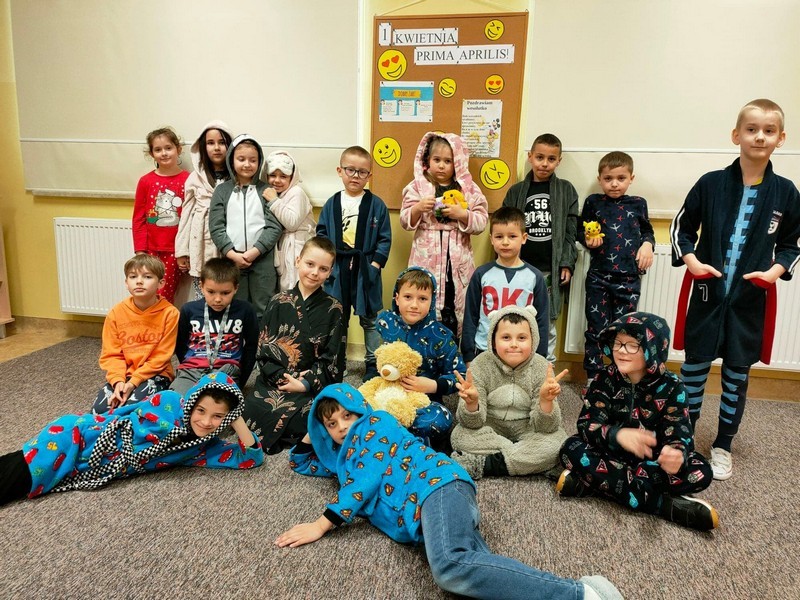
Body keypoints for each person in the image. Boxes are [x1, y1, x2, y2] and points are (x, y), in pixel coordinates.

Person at [274, 383, 622, 600]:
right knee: (479, 582)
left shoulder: (375, 425)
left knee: (449, 566)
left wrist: (321, 524)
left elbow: (363, 482)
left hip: (436, 486)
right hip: (427, 510)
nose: (342, 427)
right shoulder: (344, 461)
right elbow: (300, 462)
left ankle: (582, 594)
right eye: (332, 424)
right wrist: (315, 428)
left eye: (347, 415)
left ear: (360, 411)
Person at [670, 98, 800, 481]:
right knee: (693, 371)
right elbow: (681, 228)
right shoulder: (710, 183)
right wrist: (692, 261)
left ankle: (723, 444)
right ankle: (683, 438)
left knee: (736, 377)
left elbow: (793, 242)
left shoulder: (786, 192)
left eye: (769, 131)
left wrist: (775, 271)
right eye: (751, 129)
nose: (759, 137)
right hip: (707, 297)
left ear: (780, 138)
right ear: (736, 135)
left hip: (748, 303)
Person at [1, 372, 263, 507]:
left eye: (218, 417)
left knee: (21, 476)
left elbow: (251, 458)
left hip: (90, 465)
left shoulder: (200, 447)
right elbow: (126, 420)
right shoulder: (170, 401)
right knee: (23, 474)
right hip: (79, 437)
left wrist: (236, 416)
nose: (206, 422)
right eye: (201, 411)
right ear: (191, 403)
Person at [557, 313, 718, 532]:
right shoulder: (604, 378)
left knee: (702, 470)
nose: (622, 350)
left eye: (633, 345)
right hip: (610, 453)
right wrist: (617, 435)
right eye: (618, 343)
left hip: (650, 462)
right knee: (571, 448)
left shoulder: (673, 387)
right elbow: (587, 425)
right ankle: (661, 504)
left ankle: (595, 484)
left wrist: (676, 454)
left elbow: (681, 434)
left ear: (653, 349)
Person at [242, 237, 345, 454]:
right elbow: (264, 352)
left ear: (330, 272)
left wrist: (305, 384)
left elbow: (333, 359)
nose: (315, 273)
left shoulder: (335, 308)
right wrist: (283, 378)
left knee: (319, 413)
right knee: (251, 407)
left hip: (311, 386)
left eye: (323, 269)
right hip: (276, 383)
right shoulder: (277, 301)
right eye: (310, 264)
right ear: (298, 261)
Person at [451, 305, 568, 480]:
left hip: (528, 430)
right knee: (459, 436)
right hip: (490, 429)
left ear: (533, 340)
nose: (514, 344)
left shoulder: (542, 367)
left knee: (558, 442)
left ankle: (486, 464)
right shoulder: (479, 365)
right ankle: (529, 463)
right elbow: (471, 424)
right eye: (506, 337)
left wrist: (546, 401)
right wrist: (472, 404)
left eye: (522, 338)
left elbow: (547, 427)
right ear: (493, 341)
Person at [400, 132, 489, 340]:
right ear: (427, 160)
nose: (441, 166)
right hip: (426, 261)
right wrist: (418, 208)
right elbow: (404, 221)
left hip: (456, 265)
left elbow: (482, 222)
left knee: (455, 309)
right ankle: (421, 350)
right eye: (436, 160)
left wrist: (462, 214)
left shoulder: (469, 189)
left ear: (457, 162)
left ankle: (452, 351)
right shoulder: (416, 187)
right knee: (422, 302)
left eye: (448, 161)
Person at [316, 146, 391, 381]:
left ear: (369, 175)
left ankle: (372, 363)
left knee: (370, 319)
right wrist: (327, 265)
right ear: (340, 171)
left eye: (362, 172)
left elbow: (384, 238)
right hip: (337, 270)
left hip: (365, 269)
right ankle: (337, 362)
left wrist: (375, 265)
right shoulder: (331, 203)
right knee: (337, 317)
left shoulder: (376, 205)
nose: (355, 176)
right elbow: (322, 234)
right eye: (350, 170)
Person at [502, 133, 579, 362]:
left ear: (559, 161)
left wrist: (567, 263)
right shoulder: (516, 191)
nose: (545, 163)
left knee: (547, 322)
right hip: (519, 268)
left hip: (549, 270)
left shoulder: (566, 190)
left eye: (551, 159)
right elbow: (503, 227)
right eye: (539, 157)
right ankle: (514, 365)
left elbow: (571, 231)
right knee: (515, 320)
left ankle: (546, 369)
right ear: (530, 157)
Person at [579, 151, 654, 382]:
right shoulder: (593, 202)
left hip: (629, 280)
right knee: (596, 330)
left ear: (631, 178)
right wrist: (586, 239)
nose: (614, 184)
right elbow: (580, 229)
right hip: (599, 278)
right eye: (608, 178)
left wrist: (647, 245)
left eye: (621, 178)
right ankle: (594, 378)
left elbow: (647, 231)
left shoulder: (638, 203)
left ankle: (619, 378)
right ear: (600, 179)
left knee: (624, 332)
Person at [375, 267, 465, 445]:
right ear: (397, 298)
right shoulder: (387, 323)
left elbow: (459, 376)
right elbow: (376, 360)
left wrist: (433, 385)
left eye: (422, 298)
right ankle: (397, 433)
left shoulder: (441, 336)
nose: (414, 305)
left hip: (423, 402)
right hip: (386, 393)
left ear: (432, 301)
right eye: (408, 297)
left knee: (441, 419)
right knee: (351, 403)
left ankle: (393, 434)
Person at [91, 255, 179, 414]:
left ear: (161, 283)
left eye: (147, 277)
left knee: (131, 409)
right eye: (133, 277)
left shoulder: (170, 314)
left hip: (156, 374)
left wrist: (133, 382)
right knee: (100, 411)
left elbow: (161, 357)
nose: (139, 281)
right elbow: (111, 354)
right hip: (123, 375)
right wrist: (118, 382)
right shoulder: (116, 313)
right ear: (126, 283)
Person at [209, 134, 283, 321]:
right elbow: (216, 227)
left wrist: (254, 252)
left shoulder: (267, 190)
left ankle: (262, 340)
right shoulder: (222, 191)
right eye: (241, 159)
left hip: (262, 259)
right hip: (231, 260)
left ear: (259, 162)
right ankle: (237, 339)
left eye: (253, 160)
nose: (247, 164)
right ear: (231, 160)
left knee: (264, 306)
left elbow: (274, 226)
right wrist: (232, 254)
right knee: (235, 306)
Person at [461, 207, 548, 364]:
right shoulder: (481, 274)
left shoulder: (535, 276)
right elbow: (470, 316)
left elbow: (541, 320)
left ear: (524, 238)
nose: (505, 242)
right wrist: (468, 355)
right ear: (491, 239)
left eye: (512, 236)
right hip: (485, 350)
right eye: (499, 236)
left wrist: (540, 356)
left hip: (520, 351)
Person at [171, 257, 259, 397]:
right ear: (201, 286)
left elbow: (251, 346)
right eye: (211, 292)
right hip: (191, 370)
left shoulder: (246, 310)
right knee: (174, 401)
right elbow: (180, 344)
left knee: (216, 403)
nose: (218, 299)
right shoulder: (188, 310)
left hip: (226, 370)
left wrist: (241, 381)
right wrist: (189, 365)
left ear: (236, 288)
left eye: (225, 293)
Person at [176, 120, 234, 299]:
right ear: (202, 146)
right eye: (210, 143)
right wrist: (182, 250)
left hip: (228, 242)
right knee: (203, 294)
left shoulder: (237, 176)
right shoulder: (194, 178)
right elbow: (186, 214)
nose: (216, 148)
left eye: (222, 142)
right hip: (200, 242)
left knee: (226, 291)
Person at [132, 126, 189, 303]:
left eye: (168, 148)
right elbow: (139, 218)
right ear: (151, 153)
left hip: (175, 251)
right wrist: (140, 251)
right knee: (146, 292)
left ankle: (163, 320)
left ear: (178, 149)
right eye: (158, 149)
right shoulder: (146, 181)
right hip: (150, 251)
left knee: (165, 295)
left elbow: (191, 218)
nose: (164, 153)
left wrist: (185, 251)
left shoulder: (189, 180)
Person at [260, 150, 316, 291]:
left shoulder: (296, 192)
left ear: (292, 177)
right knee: (285, 290)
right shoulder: (276, 194)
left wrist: (274, 201)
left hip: (299, 248)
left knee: (299, 287)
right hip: (284, 250)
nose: (277, 180)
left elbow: (292, 223)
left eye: (283, 176)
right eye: (272, 175)